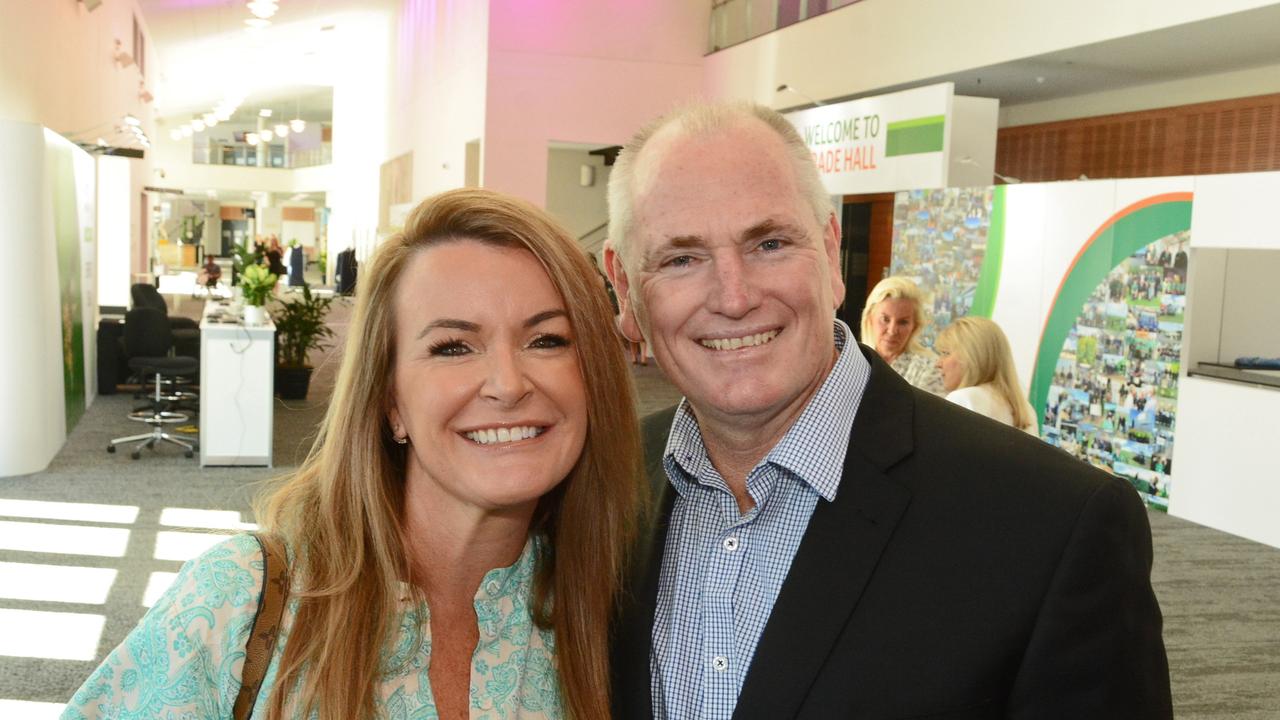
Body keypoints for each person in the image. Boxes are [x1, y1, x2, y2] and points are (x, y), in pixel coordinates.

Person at [603, 101, 1171, 719]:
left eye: (769, 243)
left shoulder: (1056, 525)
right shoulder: (598, 487)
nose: (735, 297)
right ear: (625, 288)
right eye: (682, 259)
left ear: (828, 249)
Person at [65, 188, 645, 720]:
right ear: (390, 401)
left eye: (547, 339)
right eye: (453, 347)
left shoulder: (602, 612)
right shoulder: (242, 599)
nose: (508, 383)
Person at [935, 316, 1039, 435]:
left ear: (972, 356)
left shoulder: (963, 399)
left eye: (945, 353)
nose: (938, 363)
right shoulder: (1027, 410)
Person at [860, 275, 945, 395]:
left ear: (915, 326)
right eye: (885, 319)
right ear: (870, 318)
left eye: (903, 322)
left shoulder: (930, 368)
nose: (892, 330)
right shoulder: (853, 360)